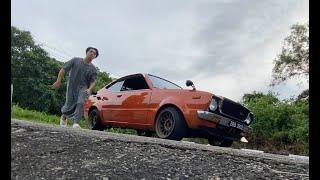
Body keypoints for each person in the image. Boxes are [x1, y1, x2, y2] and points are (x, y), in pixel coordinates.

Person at [50, 47, 99, 128]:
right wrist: (58, 81)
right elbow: (63, 69)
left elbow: (93, 81)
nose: (92, 54)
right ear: (86, 52)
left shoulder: (93, 69)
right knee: (69, 104)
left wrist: (90, 89)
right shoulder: (75, 60)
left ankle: (76, 123)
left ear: (95, 57)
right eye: (91, 52)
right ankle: (64, 116)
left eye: (94, 54)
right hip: (72, 86)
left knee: (80, 102)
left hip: (83, 88)